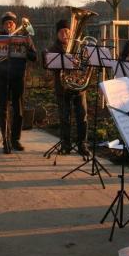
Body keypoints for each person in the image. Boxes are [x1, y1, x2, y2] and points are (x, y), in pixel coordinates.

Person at [0, 11, 37, 152]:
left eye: (11, 23)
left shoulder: (24, 37)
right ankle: (5, 141)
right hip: (3, 76)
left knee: (18, 109)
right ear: (3, 25)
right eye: (6, 23)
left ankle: (15, 139)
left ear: (15, 24)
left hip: (18, 76)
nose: (9, 25)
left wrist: (24, 50)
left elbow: (34, 56)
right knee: (3, 109)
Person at [46, 19, 89, 155]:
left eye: (67, 31)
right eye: (62, 32)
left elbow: (86, 64)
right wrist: (65, 60)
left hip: (79, 87)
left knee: (82, 116)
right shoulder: (53, 49)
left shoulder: (80, 47)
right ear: (58, 34)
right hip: (63, 87)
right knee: (64, 117)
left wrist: (80, 63)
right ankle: (66, 144)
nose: (65, 34)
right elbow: (48, 64)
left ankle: (82, 144)